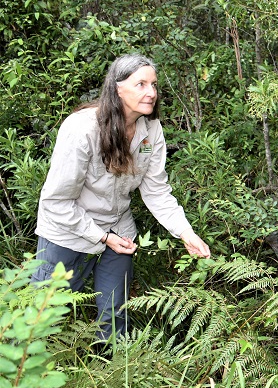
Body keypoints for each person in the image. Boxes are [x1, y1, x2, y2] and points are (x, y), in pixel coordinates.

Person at [31, 54, 211, 345]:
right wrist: (102, 237)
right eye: (141, 84)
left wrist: (185, 232)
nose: (151, 92)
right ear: (117, 88)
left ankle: (110, 368)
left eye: (154, 85)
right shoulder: (82, 129)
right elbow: (56, 202)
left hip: (119, 231)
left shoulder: (151, 130)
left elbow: (155, 190)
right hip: (68, 231)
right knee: (41, 316)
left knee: (114, 314)